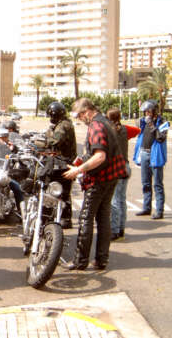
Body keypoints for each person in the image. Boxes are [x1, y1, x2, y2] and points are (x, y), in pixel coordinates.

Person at [63, 98, 127, 270]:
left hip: (100, 178)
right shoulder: (105, 122)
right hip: (111, 176)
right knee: (103, 218)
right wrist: (80, 163)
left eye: (80, 116)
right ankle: (101, 259)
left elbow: (100, 156)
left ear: (87, 112)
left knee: (86, 218)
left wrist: (78, 170)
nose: (80, 120)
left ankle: (80, 261)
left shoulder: (96, 126)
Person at [106, 108, 140, 240]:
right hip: (125, 166)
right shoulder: (125, 129)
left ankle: (114, 231)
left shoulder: (108, 131)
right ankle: (121, 229)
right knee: (121, 199)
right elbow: (138, 130)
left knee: (114, 200)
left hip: (115, 167)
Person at [132, 100, 168, 219]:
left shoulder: (162, 122)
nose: (146, 113)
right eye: (145, 111)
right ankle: (146, 208)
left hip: (155, 155)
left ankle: (159, 211)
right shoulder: (144, 121)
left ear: (154, 111)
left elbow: (161, 138)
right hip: (144, 153)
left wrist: (152, 125)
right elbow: (137, 127)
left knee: (157, 184)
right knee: (145, 183)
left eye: (148, 111)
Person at [44, 101, 77, 229]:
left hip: (64, 162)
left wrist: (47, 135)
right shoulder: (65, 123)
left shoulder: (63, 126)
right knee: (64, 190)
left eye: (51, 115)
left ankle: (64, 218)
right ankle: (64, 217)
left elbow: (55, 141)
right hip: (65, 160)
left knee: (61, 189)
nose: (50, 118)